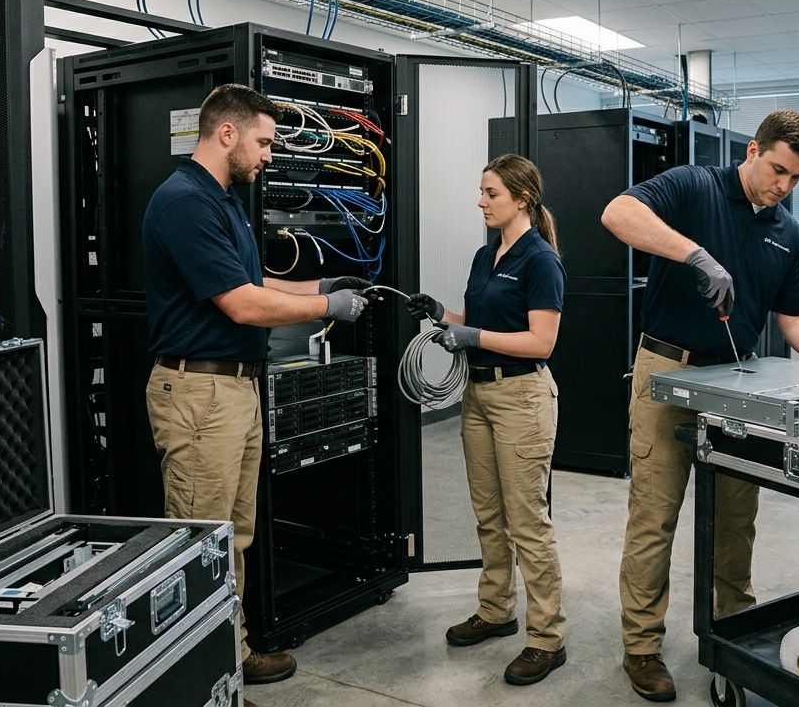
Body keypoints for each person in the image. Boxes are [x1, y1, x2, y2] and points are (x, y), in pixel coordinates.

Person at [600, 109, 799, 702]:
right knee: (654, 516)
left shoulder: (788, 233)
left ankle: (732, 638)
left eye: (795, 179)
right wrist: (693, 255)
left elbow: (794, 317)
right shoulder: (694, 187)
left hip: (738, 383)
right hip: (667, 371)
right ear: (751, 151)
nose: (782, 188)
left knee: (736, 520)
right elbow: (618, 213)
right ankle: (641, 648)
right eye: (777, 171)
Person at [142, 84, 371, 690]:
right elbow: (241, 305)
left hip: (234, 391)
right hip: (199, 395)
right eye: (264, 142)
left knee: (233, 534)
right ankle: (197, 675)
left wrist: (327, 283)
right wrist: (326, 305)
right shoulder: (184, 202)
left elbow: (258, 278)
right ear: (227, 134)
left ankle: (232, 652)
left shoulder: (221, 202)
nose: (269, 156)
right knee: (200, 538)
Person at [406, 153, 568, 686]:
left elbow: (540, 341)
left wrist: (472, 336)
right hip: (479, 395)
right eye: (481, 191)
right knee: (488, 514)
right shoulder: (485, 256)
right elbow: (475, 323)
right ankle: (496, 610)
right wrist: (442, 315)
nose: (481, 201)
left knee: (528, 523)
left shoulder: (540, 259)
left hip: (522, 396)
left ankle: (547, 638)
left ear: (521, 198)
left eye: (491, 193)